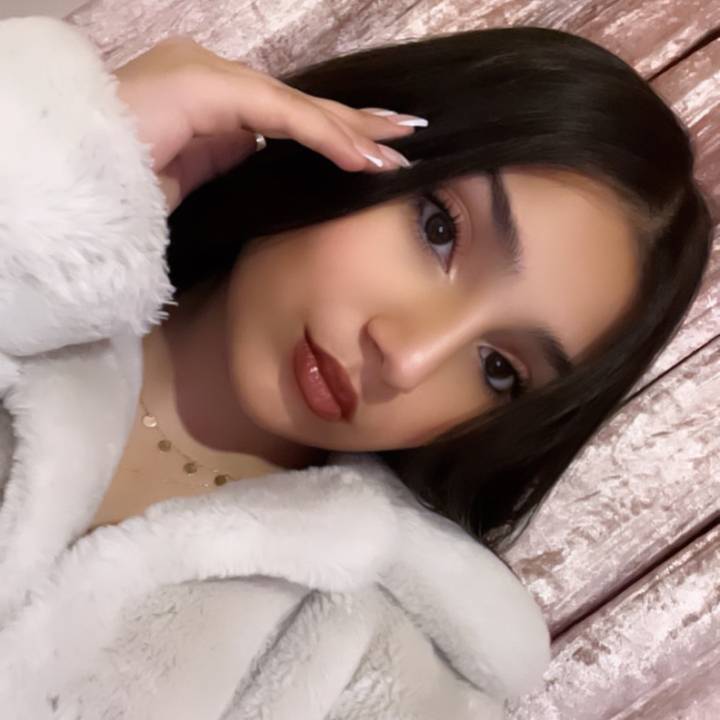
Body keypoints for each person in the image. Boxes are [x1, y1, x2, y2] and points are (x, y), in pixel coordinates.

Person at [0, 14, 711, 720]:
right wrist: (60, 178)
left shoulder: (384, 677)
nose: (408, 357)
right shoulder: (20, 253)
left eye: (499, 369)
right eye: (440, 230)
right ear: (346, 128)